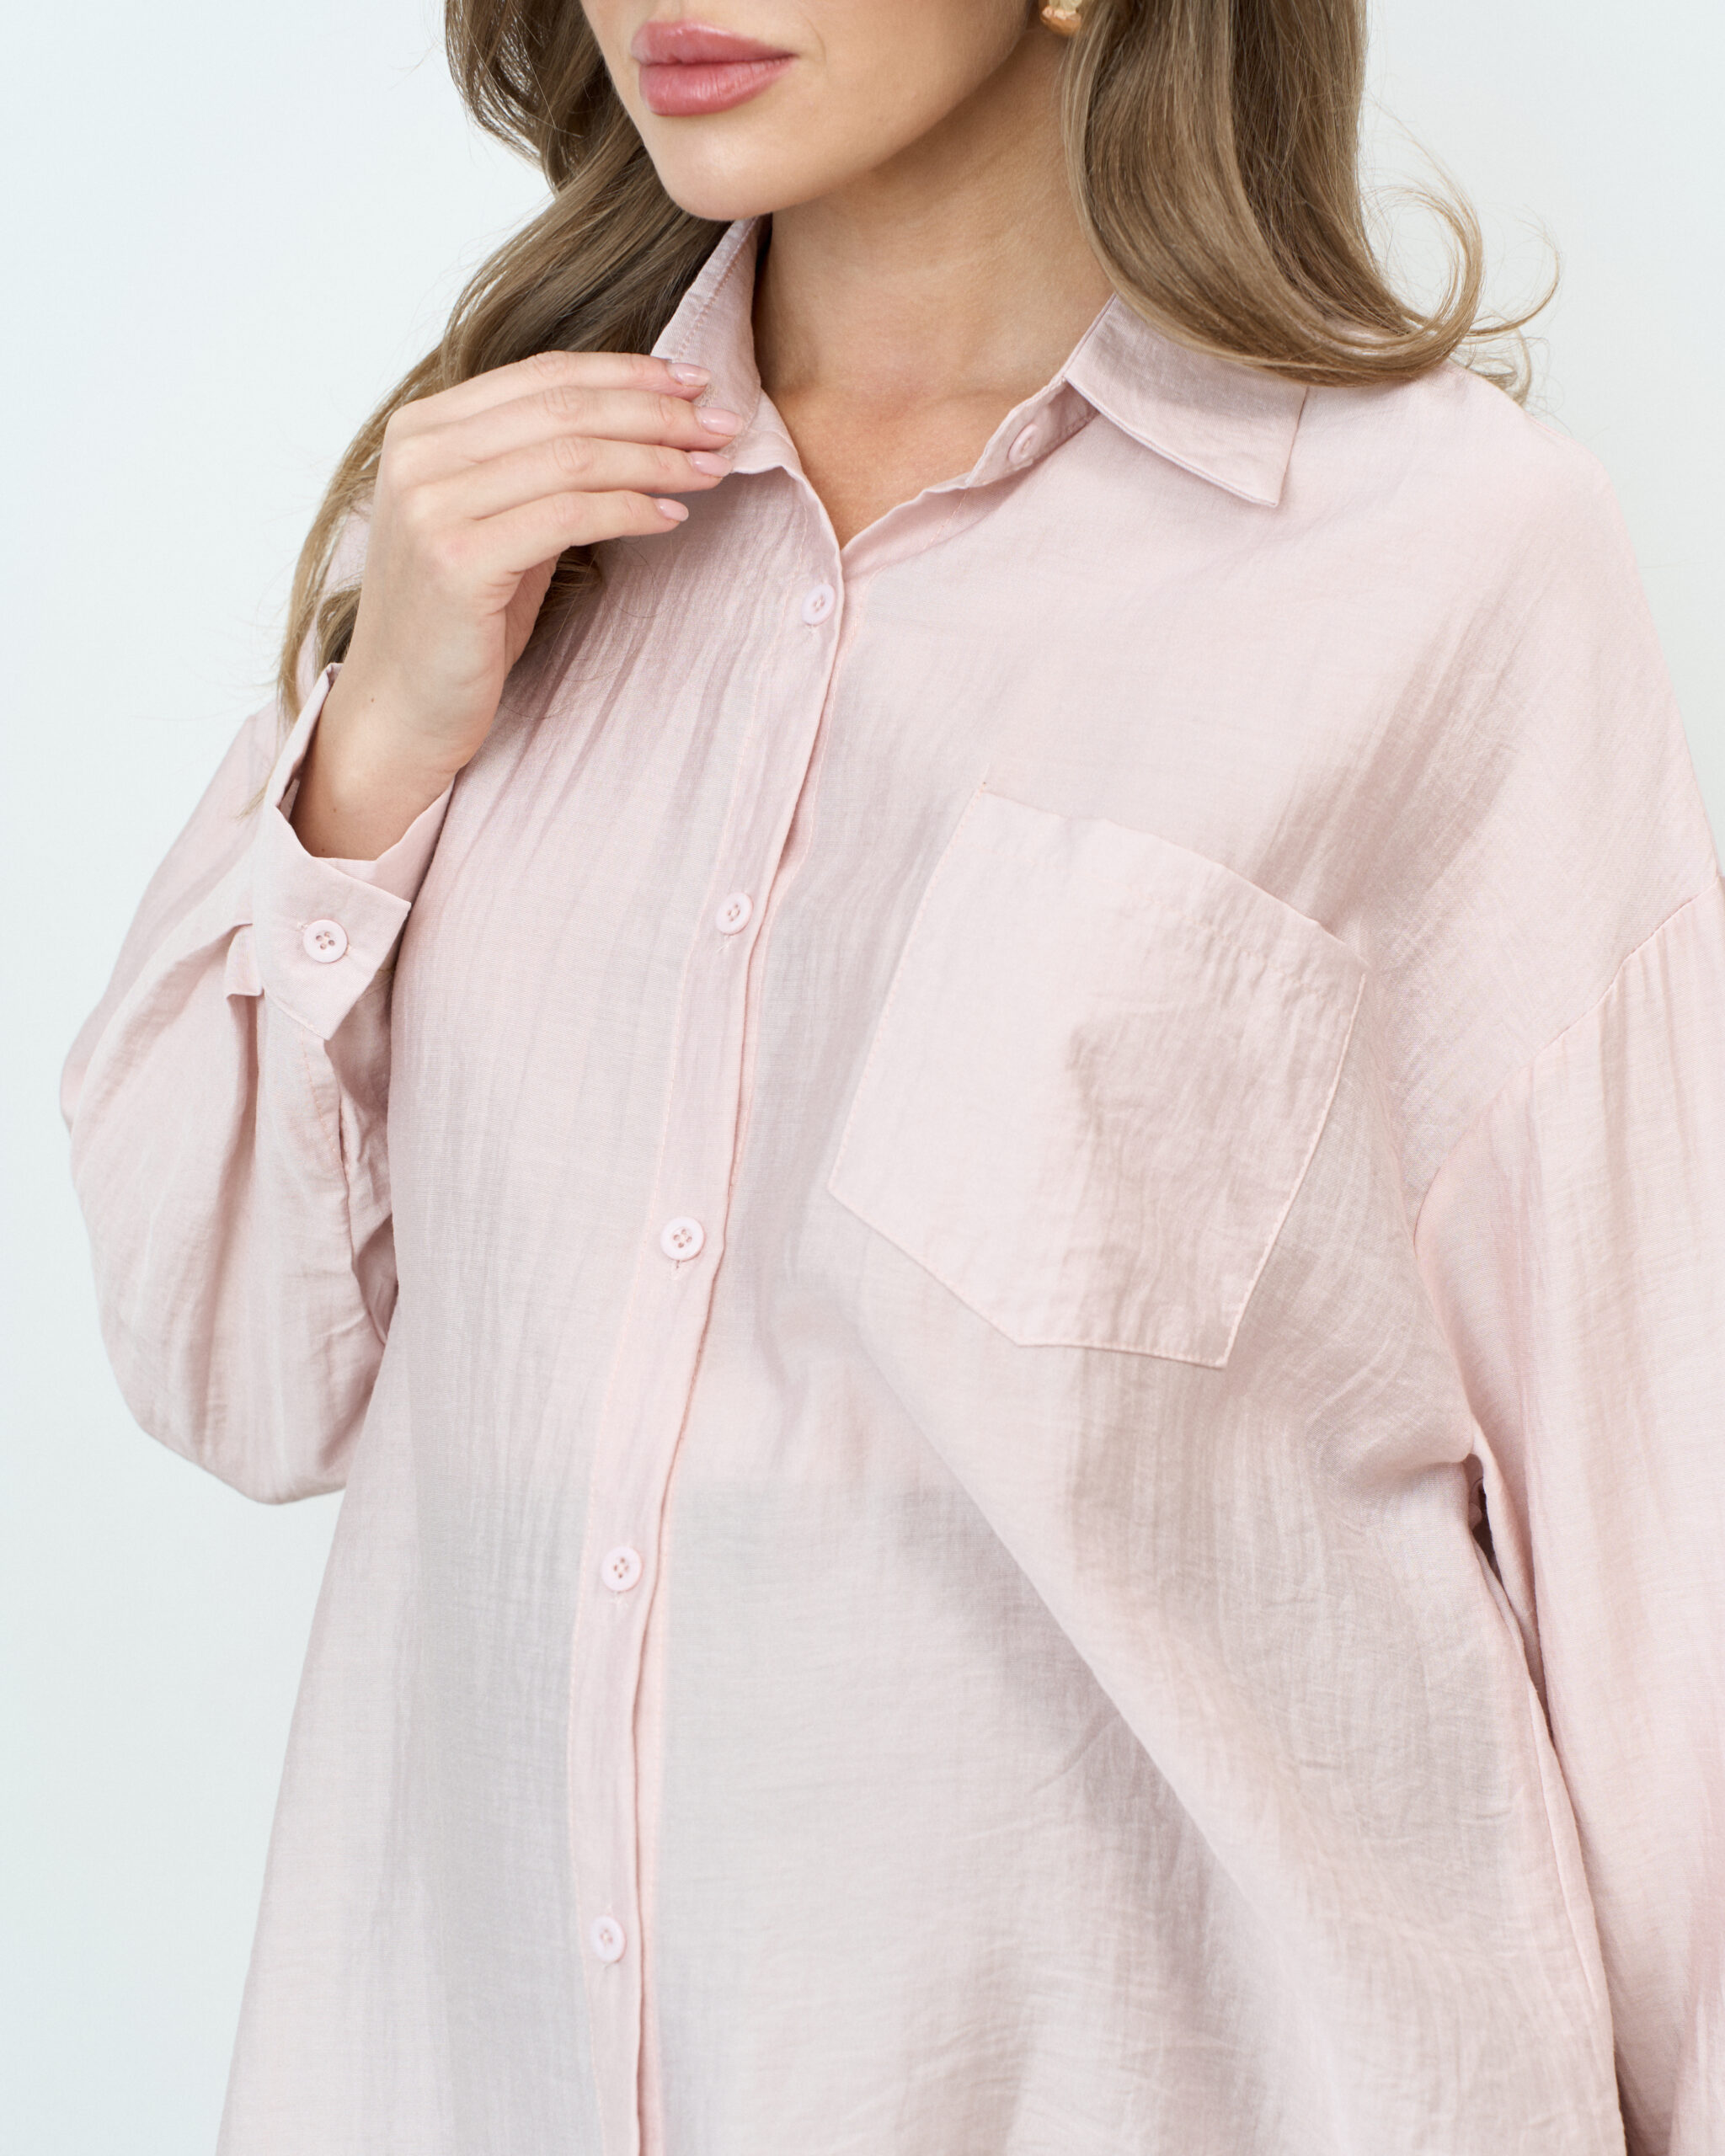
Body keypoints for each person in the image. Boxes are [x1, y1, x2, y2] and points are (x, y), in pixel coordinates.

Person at [62, 0, 1723, 2150]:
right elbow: (230, 1370)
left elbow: (1663, 1568)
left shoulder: (1445, 568)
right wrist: (374, 747)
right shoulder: (502, 530)